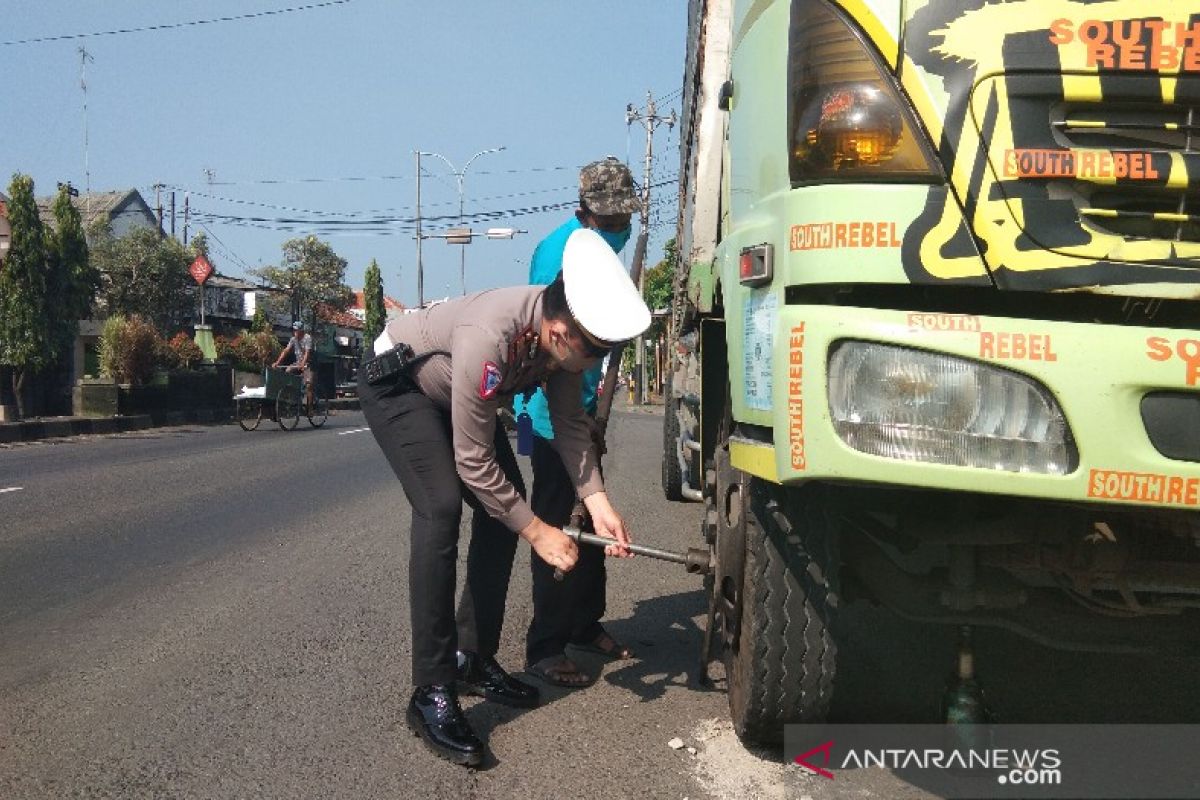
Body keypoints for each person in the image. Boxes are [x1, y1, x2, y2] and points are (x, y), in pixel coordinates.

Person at [358, 228, 650, 767]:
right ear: (561, 333)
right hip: (401, 386)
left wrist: (600, 503)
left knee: (502, 510)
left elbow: (568, 424)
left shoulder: (555, 337)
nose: (594, 367)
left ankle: (474, 657)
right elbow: (472, 462)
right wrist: (538, 531)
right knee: (441, 507)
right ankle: (431, 690)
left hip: (455, 394)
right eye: (594, 356)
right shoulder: (490, 333)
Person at [512, 156, 641, 688]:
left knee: (592, 518)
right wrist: (566, 421)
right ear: (581, 213)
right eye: (607, 223)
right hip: (551, 412)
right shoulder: (556, 254)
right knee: (556, 523)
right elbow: (543, 346)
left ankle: (584, 624)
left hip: (585, 408)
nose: (617, 231)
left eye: (622, 222)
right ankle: (545, 644)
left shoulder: (607, 246)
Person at [274, 320, 315, 411]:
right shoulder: (293, 339)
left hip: (308, 364)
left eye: (296, 330)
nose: (295, 332)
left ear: (301, 330)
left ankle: (310, 408)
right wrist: (277, 362)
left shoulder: (307, 338)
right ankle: (291, 395)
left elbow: (307, 353)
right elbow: (286, 351)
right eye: (294, 330)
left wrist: (303, 363)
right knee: (288, 371)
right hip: (298, 363)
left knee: (309, 385)